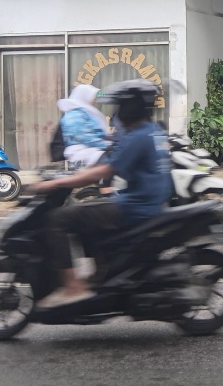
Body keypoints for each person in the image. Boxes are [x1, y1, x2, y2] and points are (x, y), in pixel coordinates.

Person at [27, 79, 173, 309]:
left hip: (135, 207)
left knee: (59, 218)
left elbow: (103, 171)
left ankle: (73, 287)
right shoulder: (153, 131)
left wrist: (56, 183)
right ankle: (100, 272)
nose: (118, 112)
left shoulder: (138, 137)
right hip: (147, 203)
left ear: (131, 108)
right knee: (89, 211)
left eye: (121, 106)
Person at [57, 84, 109, 170]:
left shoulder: (85, 113)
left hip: (92, 150)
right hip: (83, 152)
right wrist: (106, 145)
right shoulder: (74, 115)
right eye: (93, 98)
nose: (94, 101)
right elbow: (84, 136)